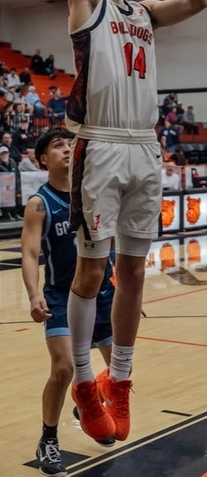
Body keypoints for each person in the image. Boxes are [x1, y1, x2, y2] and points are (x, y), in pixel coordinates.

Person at [65, 0, 207, 446]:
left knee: (136, 271)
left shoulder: (143, 12)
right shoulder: (84, 4)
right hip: (100, 143)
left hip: (146, 147)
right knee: (91, 275)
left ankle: (120, 380)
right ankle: (80, 378)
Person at [21, 128, 115, 476]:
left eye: (70, 145)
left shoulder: (92, 194)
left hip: (103, 295)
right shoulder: (39, 203)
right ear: (43, 159)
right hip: (61, 295)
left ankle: (87, 402)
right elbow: (30, 254)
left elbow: (110, 239)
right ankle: (48, 439)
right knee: (63, 369)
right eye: (58, 145)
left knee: (121, 370)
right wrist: (33, 294)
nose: (66, 149)